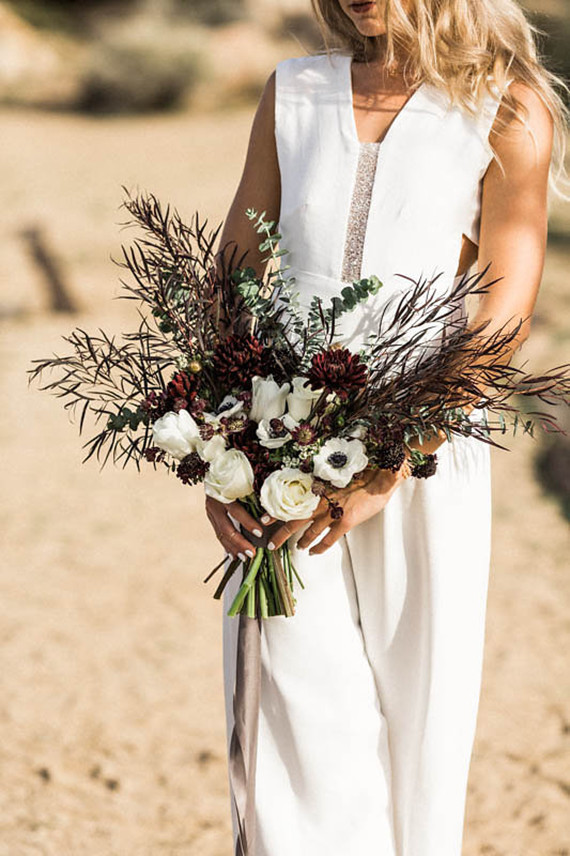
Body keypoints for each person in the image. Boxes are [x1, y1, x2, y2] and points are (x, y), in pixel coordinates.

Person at [205, 1, 567, 854]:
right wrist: (224, 452)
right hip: (281, 440)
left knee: (420, 721)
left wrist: (389, 462)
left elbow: (502, 318)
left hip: (424, 447)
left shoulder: (507, 107)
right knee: (292, 716)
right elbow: (234, 281)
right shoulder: (294, 92)